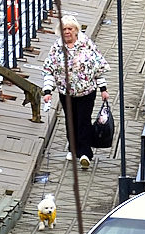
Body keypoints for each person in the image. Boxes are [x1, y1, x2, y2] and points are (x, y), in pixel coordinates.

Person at [41, 14, 109, 169]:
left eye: (70, 29)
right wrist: (47, 91)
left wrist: (103, 89)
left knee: (84, 120)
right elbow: (49, 70)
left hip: (87, 91)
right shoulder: (56, 48)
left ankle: (85, 152)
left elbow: (98, 68)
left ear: (76, 30)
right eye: (64, 29)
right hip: (66, 93)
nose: (67, 32)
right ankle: (73, 148)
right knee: (70, 121)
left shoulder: (86, 45)